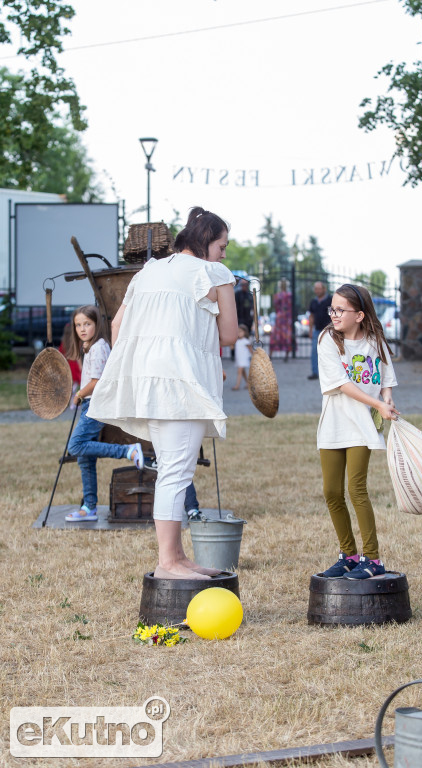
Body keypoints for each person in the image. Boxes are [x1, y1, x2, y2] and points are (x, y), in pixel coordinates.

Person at [89, 207, 238, 580]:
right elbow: (230, 335)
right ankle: (168, 562)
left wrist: (136, 366)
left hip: (147, 382)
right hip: (180, 383)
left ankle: (177, 556)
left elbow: (119, 323)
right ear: (206, 241)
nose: (224, 253)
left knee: (174, 468)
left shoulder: (150, 270)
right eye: (222, 245)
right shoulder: (213, 272)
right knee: (176, 471)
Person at [317, 284, 399, 580]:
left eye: (341, 310)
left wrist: (386, 397)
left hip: (362, 426)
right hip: (334, 423)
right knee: (331, 492)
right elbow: (340, 384)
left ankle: (373, 559)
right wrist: (377, 401)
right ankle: (349, 555)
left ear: (360, 315)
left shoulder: (375, 342)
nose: (334, 314)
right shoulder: (328, 339)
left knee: (357, 489)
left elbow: (386, 376)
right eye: (332, 308)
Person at [65, 306, 144, 522]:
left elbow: (97, 381)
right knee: (84, 458)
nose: (82, 329)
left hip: (95, 404)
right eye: (78, 325)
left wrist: (79, 394)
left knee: (75, 445)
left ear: (96, 324)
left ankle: (128, 451)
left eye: (87, 324)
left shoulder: (99, 347)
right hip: (90, 404)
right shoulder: (90, 346)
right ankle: (89, 507)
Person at [308, 281, 332, 380]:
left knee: (329, 352)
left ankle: (329, 373)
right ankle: (315, 372)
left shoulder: (330, 300)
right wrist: (310, 330)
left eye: (319, 288)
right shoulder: (313, 302)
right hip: (317, 330)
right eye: (315, 288)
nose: (317, 290)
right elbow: (311, 316)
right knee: (314, 351)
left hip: (328, 330)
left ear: (324, 289)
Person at [58, 322, 81, 409]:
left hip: (66, 367)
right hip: (74, 367)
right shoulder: (75, 344)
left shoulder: (63, 344)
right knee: (75, 386)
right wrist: (80, 366)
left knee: (71, 386)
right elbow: (77, 356)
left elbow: (60, 355)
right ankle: (74, 403)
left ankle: (71, 403)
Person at [269, 278, 292, 361]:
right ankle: (286, 355)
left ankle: (270, 355)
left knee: (276, 336)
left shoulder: (277, 296)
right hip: (287, 318)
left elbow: (276, 307)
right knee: (287, 337)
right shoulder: (290, 295)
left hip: (280, 318)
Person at [232, 324, 252, 390]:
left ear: (245, 332)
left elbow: (250, 350)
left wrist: (254, 356)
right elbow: (232, 348)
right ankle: (248, 383)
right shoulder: (237, 341)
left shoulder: (246, 341)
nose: (239, 333)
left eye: (240, 332)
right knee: (243, 372)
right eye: (238, 332)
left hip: (244, 358)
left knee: (239, 371)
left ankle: (237, 385)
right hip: (239, 358)